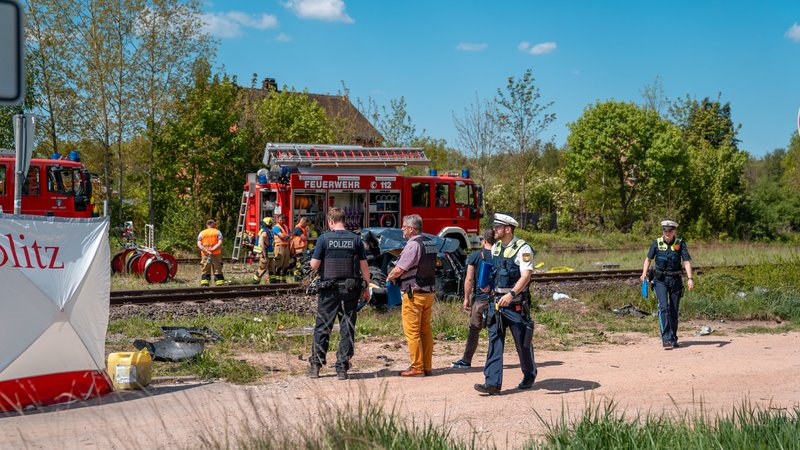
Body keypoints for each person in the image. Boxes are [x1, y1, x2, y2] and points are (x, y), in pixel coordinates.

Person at [474, 213, 537, 395]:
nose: (494, 230)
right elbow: (492, 271)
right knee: (494, 341)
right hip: (497, 304)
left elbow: (526, 276)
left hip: (515, 303)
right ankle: (492, 383)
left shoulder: (523, 249)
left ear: (507, 229)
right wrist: (486, 287)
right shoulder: (496, 248)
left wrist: (511, 294)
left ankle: (529, 374)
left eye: (498, 228)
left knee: (522, 343)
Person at [307, 207, 370, 380]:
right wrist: (366, 288)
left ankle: (316, 367)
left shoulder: (324, 239)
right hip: (350, 290)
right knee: (347, 328)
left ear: (330, 222)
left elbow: (314, 265)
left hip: (328, 291)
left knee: (323, 327)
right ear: (344, 220)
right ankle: (342, 368)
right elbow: (364, 267)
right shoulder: (356, 240)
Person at [386, 214, 438, 377]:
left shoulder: (413, 245)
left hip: (414, 294)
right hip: (428, 293)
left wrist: (390, 277)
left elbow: (400, 268)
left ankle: (417, 366)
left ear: (411, 229)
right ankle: (427, 366)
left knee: (412, 332)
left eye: (404, 226)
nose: (402, 229)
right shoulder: (430, 242)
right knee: (425, 331)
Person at [640, 220, 694, 349]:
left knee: (674, 311)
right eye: (665, 231)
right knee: (663, 307)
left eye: (670, 231)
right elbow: (648, 259)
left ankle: (673, 337)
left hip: (675, 280)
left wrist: (690, 278)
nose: (667, 233)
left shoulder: (680, 243)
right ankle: (665, 338)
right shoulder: (657, 243)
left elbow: (686, 262)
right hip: (660, 280)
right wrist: (644, 274)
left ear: (674, 231)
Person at [452, 229, 496, 369]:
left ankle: (466, 359)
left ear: (484, 240)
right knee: (494, 332)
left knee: (474, 330)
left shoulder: (475, 255)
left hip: (480, 300)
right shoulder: (499, 255)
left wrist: (466, 298)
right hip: (496, 299)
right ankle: (493, 361)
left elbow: (469, 278)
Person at [197, 219, 225, 286]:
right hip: (216, 254)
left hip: (205, 254)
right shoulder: (217, 232)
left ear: (207, 225)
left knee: (205, 268)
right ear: (213, 224)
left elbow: (199, 244)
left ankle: (204, 284)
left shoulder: (202, 233)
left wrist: (206, 250)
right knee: (217, 268)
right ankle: (219, 284)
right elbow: (220, 243)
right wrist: (212, 250)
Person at [252, 217, 275, 284]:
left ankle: (273, 283)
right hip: (265, 253)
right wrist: (264, 254)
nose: (272, 225)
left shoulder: (267, 231)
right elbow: (261, 243)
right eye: (271, 223)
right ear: (268, 224)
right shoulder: (264, 232)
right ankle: (255, 283)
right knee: (262, 269)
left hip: (270, 253)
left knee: (272, 268)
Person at [272, 214, 291, 281]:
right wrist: (286, 236)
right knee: (278, 264)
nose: (281, 221)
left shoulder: (286, 227)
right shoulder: (276, 227)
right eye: (280, 219)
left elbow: (290, 237)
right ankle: (276, 279)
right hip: (279, 247)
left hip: (286, 247)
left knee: (286, 264)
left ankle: (283, 279)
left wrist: (286, 237)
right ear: (277, 220)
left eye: (283, 219)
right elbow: (282, 236)